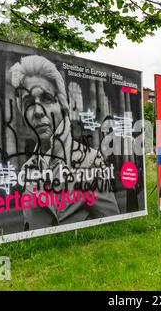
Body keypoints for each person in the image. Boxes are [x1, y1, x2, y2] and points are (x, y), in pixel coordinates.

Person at [10, 55, 120, 231]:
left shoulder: (90, 161)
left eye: (46, 99)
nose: (37, 111)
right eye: (29, 103)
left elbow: (111, 227)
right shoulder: (27, 170)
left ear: (62, 105)